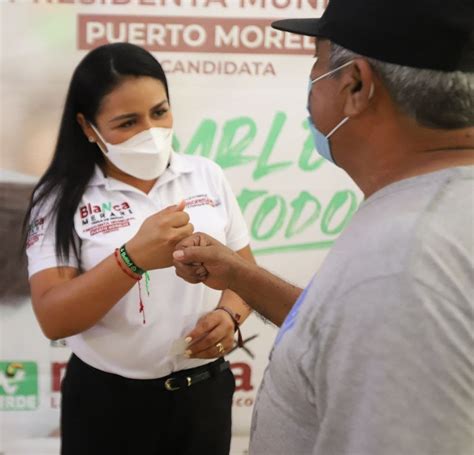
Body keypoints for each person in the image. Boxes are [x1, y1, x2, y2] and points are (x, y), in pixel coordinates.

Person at [173, 0, 474, 453]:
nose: (311, 88)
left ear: (355, 85)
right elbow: (341, 329)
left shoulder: (405, 263)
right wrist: (237, 274)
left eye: (316, 66)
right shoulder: (428, 219)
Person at [23, 42, 254, 455]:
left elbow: (244, 274)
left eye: (159, 112)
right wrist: (132, 259)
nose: (149, 132)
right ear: (88, 126)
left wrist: (228, 315)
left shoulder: (205, 175)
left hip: (203, 395)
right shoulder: (59, 197)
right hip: (107, 405)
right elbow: (54, 318)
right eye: (127, 122)